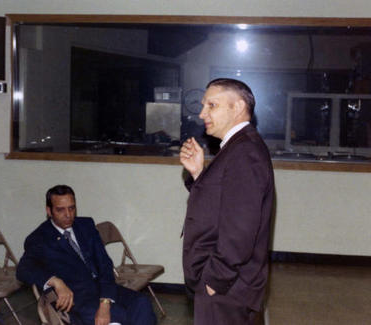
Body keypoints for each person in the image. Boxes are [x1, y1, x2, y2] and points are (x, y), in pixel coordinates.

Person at [179, 78, 275, 324]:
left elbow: (241, 229)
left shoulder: (244, 152)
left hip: (227, 287)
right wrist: (199, 174)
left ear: (238, 107)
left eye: (212, 105)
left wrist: (214, 280)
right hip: (226, 284)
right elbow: (222, 204)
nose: (202, 114)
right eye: (203, 106)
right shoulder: (236, 147)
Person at [16, 185, 156, 325]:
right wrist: (55, 281)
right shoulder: (39, 238)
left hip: (102, 288)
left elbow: (104, 264)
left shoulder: (85, 225)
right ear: (49, 211)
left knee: (141, 303)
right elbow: (23, 270)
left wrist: (105, 301)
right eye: (60, 210)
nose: (68, 215)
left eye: (71, 208)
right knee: (119, 316)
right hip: (77, 297)